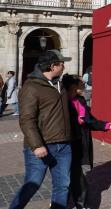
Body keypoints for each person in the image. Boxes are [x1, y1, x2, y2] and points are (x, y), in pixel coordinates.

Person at [9, 50, 73, 209]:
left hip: (64, 145)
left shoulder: (61, 83)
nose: (64, 65)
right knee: (33, 184)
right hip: (42, 145)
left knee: (63, 185)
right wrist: (37, 145)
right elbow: (26, 119)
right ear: (53, 66)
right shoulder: (31, 87)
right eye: (62, 63)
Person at [63, 74, 111, 209]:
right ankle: (71, 200)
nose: (84, 84)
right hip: (65, 141)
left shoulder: (81, 100)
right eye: (81, 82)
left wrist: (105, 125)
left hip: (79, 140)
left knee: (75, 172)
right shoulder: (62, 101)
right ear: (73, 87)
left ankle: (78, 201)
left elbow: (89, 120)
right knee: (69, 173)